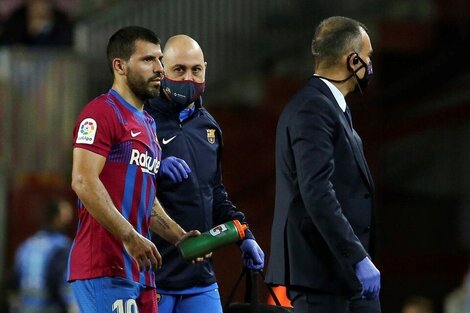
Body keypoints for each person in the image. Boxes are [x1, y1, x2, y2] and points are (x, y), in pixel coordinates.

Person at [68, 26, 199, 313]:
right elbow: (83, 181)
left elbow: (144, 198)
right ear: (120, 66)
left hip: (139, 269)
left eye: (160, 59)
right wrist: (129, 236)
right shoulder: (101, 113)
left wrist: (178, 236)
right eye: (148, 60)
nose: (160, 69)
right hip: (104, 265)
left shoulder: (148, 124)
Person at [265, 16, 381, 313]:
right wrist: (357, 256)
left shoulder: (331, 107)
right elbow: (316, 190)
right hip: (322, 275)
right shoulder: (313, 108)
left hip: (341, 275)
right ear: (352, 60)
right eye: (367, 58)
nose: (370, 66)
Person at [144, 34, 265, 313]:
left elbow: (215, 193)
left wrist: (244, 234)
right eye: (179, 70)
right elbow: (122, 187)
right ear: (162, 71)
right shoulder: (142, 121)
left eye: (196, 70)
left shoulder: (209, 127)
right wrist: (153, 168)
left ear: (205, 69)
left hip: (201, 280)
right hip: (153, 278)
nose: (189, 78)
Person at [9, 197, 78, 313]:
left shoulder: (26, 246)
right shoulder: (61, 247)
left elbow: (13, 283)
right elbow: (65, 288)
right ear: (59, 218)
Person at [0, 0, 73, 46]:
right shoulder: (17, 17)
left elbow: (69, 45)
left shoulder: (61, 19)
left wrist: (44, 33)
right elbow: (6, 46)